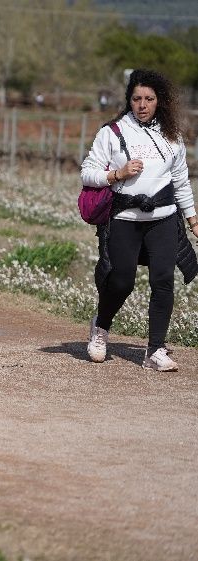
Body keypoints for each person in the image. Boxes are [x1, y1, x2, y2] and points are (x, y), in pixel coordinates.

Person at [81, 69, 198, 372]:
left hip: (163, 218)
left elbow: (181, 182)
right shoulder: (113, 132)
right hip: (125, 218)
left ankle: (155, 350)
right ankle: (101, 326)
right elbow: (88, 172)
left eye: (149, 99)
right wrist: (117, 174)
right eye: (137, 99)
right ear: (129, 100)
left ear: (159, 101)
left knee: (163, 281)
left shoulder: (171, 136)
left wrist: (192, 219)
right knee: (121, 281)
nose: (142, 104)